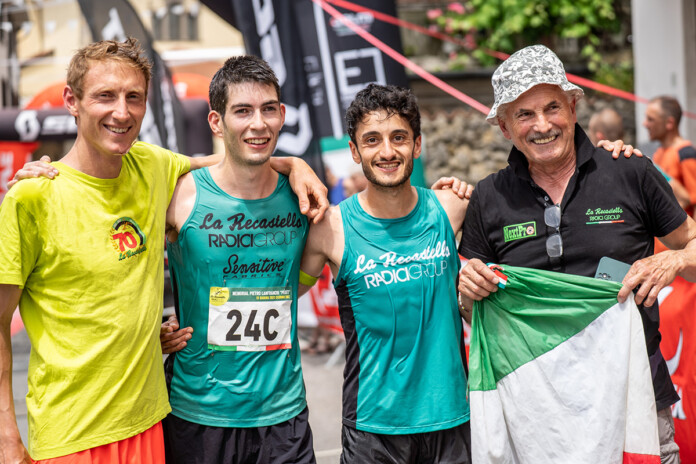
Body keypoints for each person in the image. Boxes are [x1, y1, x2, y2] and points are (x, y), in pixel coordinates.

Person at [0, 39, 327, 463]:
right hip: (73, 435)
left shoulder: (152, 166)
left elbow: (233, 160)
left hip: (150, 421)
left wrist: (294, 164)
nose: (122, 112)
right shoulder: (32, 197)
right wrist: (7, 439)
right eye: (105, 96)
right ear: (71, 101)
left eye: (134, 97)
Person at [458, 44, 696, 463]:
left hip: (634, 401)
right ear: (505, 127)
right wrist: (468, 289)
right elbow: (468, 308)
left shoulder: (629, 171)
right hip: (536, 417)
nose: (542, 125)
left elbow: (691, 244)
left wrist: (674, 259)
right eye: (524, 114)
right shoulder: (489, 197)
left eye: (552, 107)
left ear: (572, 107)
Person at [298, 83, 475, 464]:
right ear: (354, 151)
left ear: (417, 144)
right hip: (373, 429)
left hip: (451, 419)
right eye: (372, 140)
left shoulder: (452, 207)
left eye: (399, 137)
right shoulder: (330, 228)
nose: (387, 152)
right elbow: (276, 293)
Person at [160, 55, 315, 464]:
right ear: (216, 122)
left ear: (282, 115)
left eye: (268, 109)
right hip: (200, 414)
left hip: (283, 418)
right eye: (242, 111)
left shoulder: (303, 198)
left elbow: (300, 281)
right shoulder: (180, 195)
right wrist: (147, 331)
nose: (258, 124)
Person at [589, 107, 690, 210]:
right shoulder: (641, 163)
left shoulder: (642, 164)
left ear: (599, 137)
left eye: (590, 134)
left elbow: (684, 198)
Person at [644, 96, 696, 217]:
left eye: (650, 119)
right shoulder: (659, 152)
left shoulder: (686, 153)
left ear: (669, 123)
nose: (645, 124)